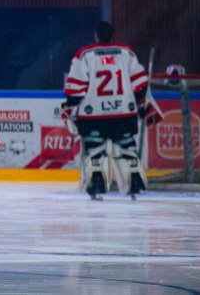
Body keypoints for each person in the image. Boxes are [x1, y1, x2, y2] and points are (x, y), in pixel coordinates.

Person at [62, 21, 159, 200]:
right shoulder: (126, 52)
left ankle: (97, 180)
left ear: (96, 35)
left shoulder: (85, 54)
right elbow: (140, 83)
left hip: (94, 114)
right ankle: (133, 178)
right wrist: (143, 106)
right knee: (127, 146)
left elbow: (76, 87)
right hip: (124, 112)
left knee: (94, 148)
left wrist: (69, 106)